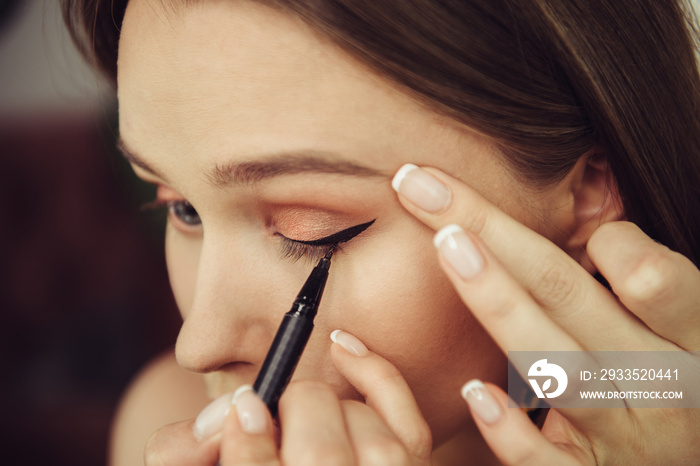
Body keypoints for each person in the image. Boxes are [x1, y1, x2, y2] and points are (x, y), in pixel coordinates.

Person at [61, 0, 700, 464]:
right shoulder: (165, 422)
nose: (198, 346)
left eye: (316, 232)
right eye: (183, 209)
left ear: (589, 192)